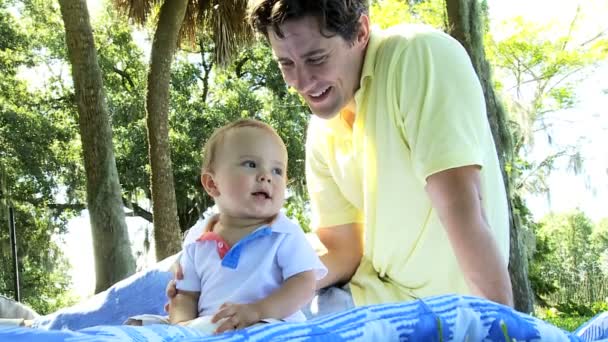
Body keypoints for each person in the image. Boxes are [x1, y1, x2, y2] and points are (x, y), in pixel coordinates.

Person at [243, 0, 514, 308]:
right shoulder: (321, 131)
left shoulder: (417, 55)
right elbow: (341, 248)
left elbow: (463, 205)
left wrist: (502, 325)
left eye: (316, 58)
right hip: (370, 299)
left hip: (446, 311)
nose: (300, 82)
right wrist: (250, 276)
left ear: (360, 31)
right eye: (286, 64)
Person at [143, 119, 326, 333]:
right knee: (139, 325)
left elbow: (303, 284)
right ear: (212, 184)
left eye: (277, 170)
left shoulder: (284, 232)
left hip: (269, 323)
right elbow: (186, 294)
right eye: (251, 164)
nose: (266, 176)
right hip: (210, 327)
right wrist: (181, 328)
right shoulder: (197, 237)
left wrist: (257, 311)